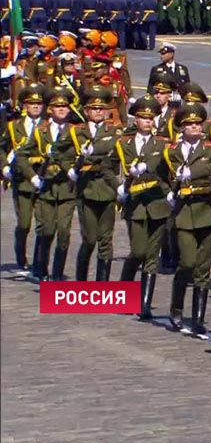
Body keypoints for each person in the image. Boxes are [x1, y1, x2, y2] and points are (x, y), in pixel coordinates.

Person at [164, 103, 211, 335]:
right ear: (181, 127)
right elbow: (162, 174)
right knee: (187, 262)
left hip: (207, 210)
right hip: (184, 213)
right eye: (190, 124)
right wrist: (168, 191)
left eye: (198, 123)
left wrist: (193, 172)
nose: (195, 127)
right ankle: (176, 307)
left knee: (203, 268)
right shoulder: (172, 151)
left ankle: (198, 317)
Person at [116, 97, 172, 319]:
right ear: (135, 119)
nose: (147, 122)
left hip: (157, 203)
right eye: (143, 118)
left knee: (152, 255)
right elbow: (112, 167)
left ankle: (145, 303)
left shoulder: (162, 143)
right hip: (136, 205)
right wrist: (120, 187)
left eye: (151, 118)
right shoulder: (124, 143)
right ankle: (124, 292)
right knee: (138, 251)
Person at [16, 86, 76, 282]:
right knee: (47, 230)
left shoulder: (75, 132)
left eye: (65, 106)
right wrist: (33, 177)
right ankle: (41, 269)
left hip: (67, 189)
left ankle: (57, 274)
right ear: (49, 109)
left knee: (64, 234)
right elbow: (22, 156)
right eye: (57, 106)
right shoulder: (40, 131)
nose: (61, 109)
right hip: (46, 189)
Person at [64, 86, 123, 281]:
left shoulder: (114, 131)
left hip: (107, 189)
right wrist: (71, 168)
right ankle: (81, 281)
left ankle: (102, 284)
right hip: (86, 189)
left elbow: (113, 153)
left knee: (106, 239)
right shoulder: (76, 132)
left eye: (101, 108)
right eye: (94, 108)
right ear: (86, 111)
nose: (98, 111)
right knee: (89, 238)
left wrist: (92, 153)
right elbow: (60, 152)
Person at [3, 84, 47, 275]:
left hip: (44, 179)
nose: (36, 107)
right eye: (32, 103)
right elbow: (2, 147)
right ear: (24, 106)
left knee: (43, 223)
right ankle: (21, 256)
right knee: (24, 223)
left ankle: (39, 263)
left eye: (39, 103)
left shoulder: (48, 126)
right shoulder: (14, 127)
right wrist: (4, 166)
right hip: (22, 181)